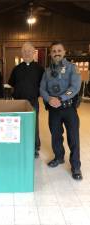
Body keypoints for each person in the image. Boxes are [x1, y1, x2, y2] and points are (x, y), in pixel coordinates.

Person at [40, 41, 83, 180]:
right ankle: (59, 157)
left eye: (59, 50)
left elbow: (75, 86)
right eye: (53, 51)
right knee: (56, 136)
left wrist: (61, 98)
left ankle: (76, 166)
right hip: (54, 109)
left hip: (69, 108)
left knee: (73, 137)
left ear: (64, 52)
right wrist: (49, 99)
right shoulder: (47, 71)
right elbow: (42, 89)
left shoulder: (72, 68)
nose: (56, 53)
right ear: (50, 54)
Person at [8, 42, 44, 158]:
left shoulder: (40, 69)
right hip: (18, 102)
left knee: (33, 125)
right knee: (18, 125)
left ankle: (35, 147)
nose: (27, 53)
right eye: (24, 51)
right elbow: (11, 84)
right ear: (21, 53)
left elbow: (43, 86)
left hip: (33, 102)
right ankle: (20, 145)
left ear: (34, 53)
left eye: (29, 51)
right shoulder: (16, 69)